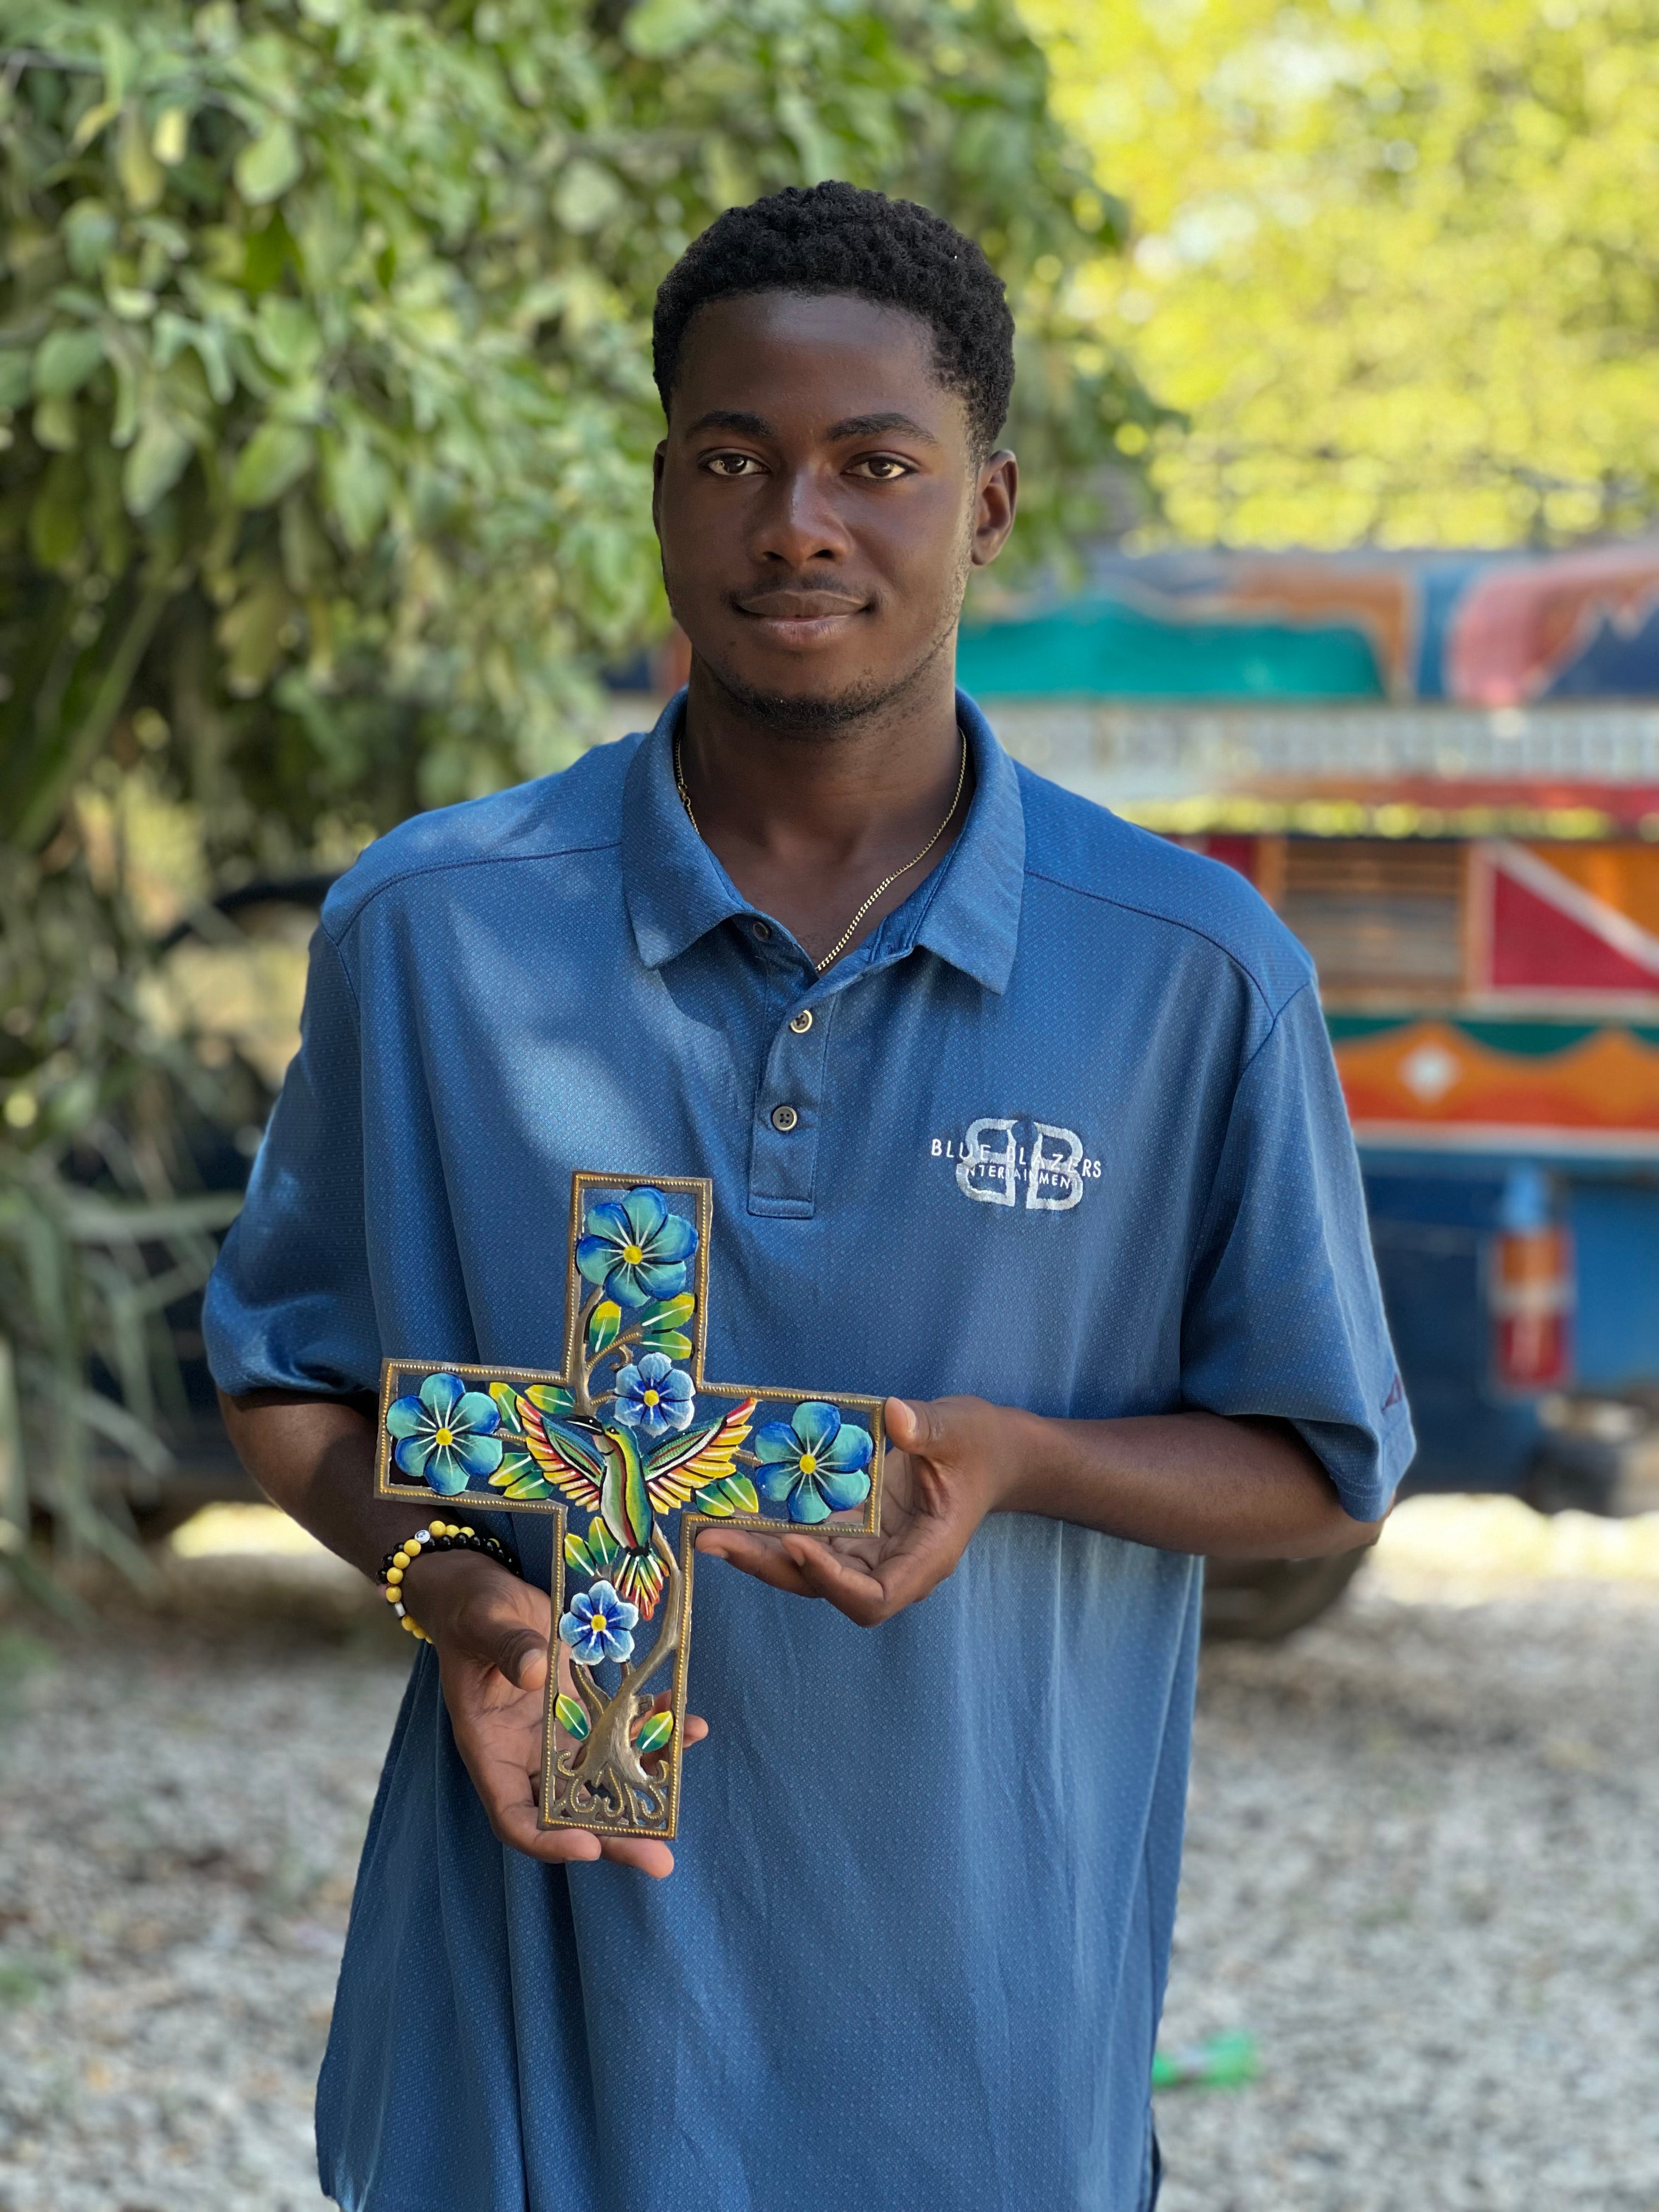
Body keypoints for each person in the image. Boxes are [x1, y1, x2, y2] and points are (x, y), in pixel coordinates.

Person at [207, 182, 1412, 2212]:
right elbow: (292, 1383)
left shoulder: (1189, 971)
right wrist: (461, 1596)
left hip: (980, 2062)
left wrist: (1022, 1458)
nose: (797, 525)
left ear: (991, 502)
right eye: (734, 459)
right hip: (524, 2055)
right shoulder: (436, 934)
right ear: (661, 488)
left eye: (879, 465)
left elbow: (1328, 1460)